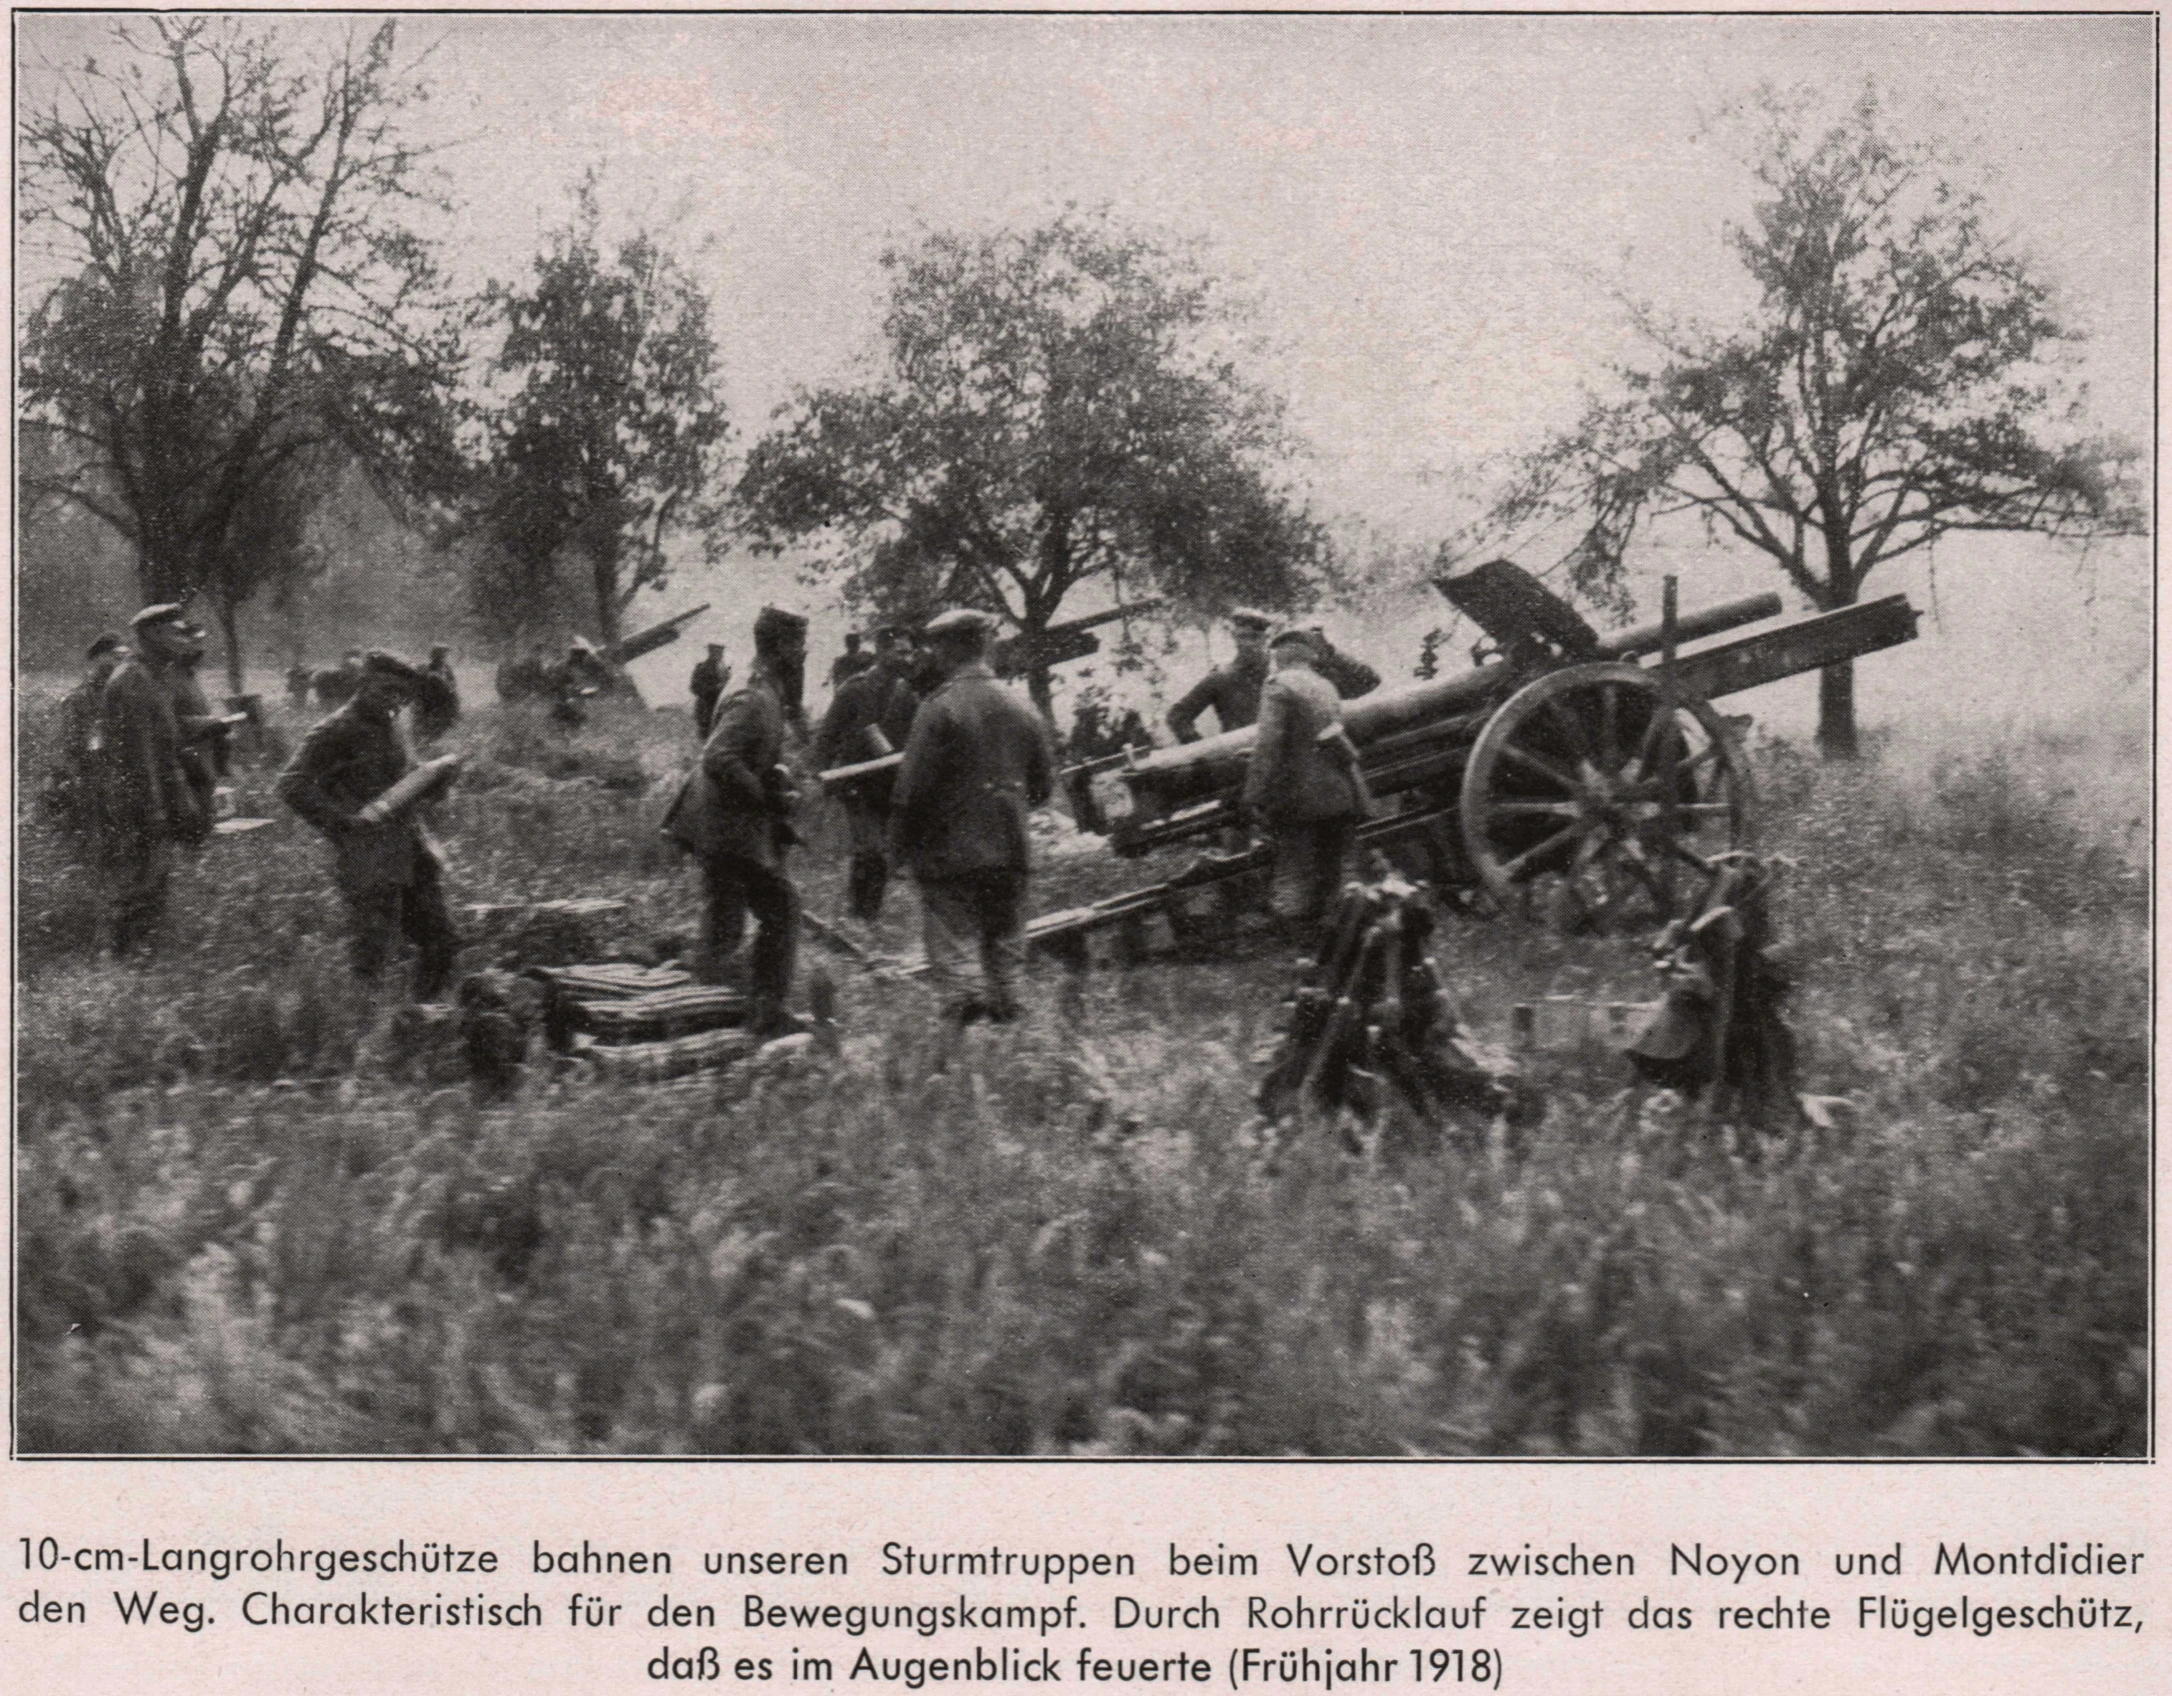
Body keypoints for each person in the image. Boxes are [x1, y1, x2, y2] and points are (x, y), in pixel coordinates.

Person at [889, 607, 1054, 1025]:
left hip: (951, 858)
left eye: (938, 647)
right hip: (1011, 852)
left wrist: (898, 850)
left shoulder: (939, 708)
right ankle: (1018, 1058)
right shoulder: (1024, 706)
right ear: (987, 645)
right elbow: (1042, 789)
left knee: (957, 967)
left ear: (948, 651)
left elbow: (910, 794)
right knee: (1008, 966)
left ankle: (962, 1068)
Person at [276, 652, 460, 1002]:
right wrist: (339, 822)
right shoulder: (335, 730)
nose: (394, 700)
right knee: (373, 957)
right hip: (369, 859)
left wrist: (435, 779)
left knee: (441, 941)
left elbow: (404, 778)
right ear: (363, 682)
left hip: (412, 851)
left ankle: (421, 1019)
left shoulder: (393, 724)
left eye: (403, 695)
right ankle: (367, 1035)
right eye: (386, 690)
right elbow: (291, 784)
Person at [661, 606, 807, 1036]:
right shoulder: (752, 693)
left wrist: (776, 781)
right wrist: (763, 795)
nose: (803, 652)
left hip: (728, 826)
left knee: (728, 921)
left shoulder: (762, 687)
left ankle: (719, 1011)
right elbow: (718, 755)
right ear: (779, 646)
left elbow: (745, 755)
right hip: (727, 828)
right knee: (776, 909)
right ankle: (756, 1014)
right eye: (797, 644)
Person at [98, 606, 214, 956]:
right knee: (138, 884)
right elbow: (141, 757)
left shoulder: (154, 676)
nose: (182, 640)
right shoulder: (133, 680)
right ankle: (121, 961)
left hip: (154, 798)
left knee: (153, 882)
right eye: (174, 633)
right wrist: (157, 812)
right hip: (140, 802)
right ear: (151, 634)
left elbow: (167, 738)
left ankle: (138, 956)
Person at [1242, 627, 1369, 940]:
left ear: (1282, 656)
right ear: (1309, 656)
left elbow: (1269, 745)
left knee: (1295, 872)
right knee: (1335, 869)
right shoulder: (1325, 685)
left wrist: (1254, 795)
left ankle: (1304, 942)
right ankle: (1339, 935)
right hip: (1339, 791)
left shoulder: (1278, 686)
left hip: (1299, 798)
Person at [814, 626, 921, 922]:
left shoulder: (908, 694)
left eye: (910, 652)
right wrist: (828, 780)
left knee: (883, 854)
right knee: (869, 850)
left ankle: (867, 917)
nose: (907, 658)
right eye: (900, 651)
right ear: (881, 652)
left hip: (890, 785)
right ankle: (858, 917)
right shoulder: (854, 689)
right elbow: (826, 739)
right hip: (858, 785)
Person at [46, 633, 128, 843]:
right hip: (93, 780)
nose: (120, 661)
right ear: (98, 658)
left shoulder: (127, 693)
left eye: (123, 656)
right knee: (99, 840)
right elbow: (69, 743)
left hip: (125, 777)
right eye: (114, 656)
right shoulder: (80, 698)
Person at [1165, 608, 1273, 743]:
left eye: (1254, 637)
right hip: (1241, 758)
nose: (1248, 644)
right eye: (1242, 637)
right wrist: (1205, 750)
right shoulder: (1221, 678)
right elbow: (1177, 716)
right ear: (1234, 637)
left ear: (1265, 638)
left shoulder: (1280, 672)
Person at [1307, 627, 1383, 700]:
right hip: (1361, 682)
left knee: (1330, 667)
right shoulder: (1326, 661)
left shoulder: (1333, 662)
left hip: (1362, 684)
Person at [415, 644, 460, 741]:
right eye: (441, 654)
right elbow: (420, 688)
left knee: (443, 728)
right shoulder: (426, 668)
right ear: (434, 655)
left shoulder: (446, 668)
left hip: (445, 701)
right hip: (431, 702)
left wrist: (450, 690)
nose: (443, 657)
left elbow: (453, 684)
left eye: (444, 654)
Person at [689, 643, 731, 738]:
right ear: (710, 652)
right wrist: (716, 688)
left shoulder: (725, 669)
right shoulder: (702, 668)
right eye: (717, 651)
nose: (720, 654)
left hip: (722, 710)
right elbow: (695, 687)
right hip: (706, 711)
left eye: (721, 652)